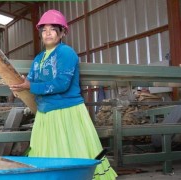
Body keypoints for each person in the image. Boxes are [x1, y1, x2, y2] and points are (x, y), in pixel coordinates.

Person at [9, 9, 117, 180]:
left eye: (52, 29)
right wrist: (19, 87)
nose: (48, 33)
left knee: (73, 149)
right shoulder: (38, 59)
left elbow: (61, 84)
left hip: (67, 111)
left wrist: (30, 86)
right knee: (48, 151)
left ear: (62, 32)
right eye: (44, 30)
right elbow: (30, 81)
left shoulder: (66, 53)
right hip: (45, 113)